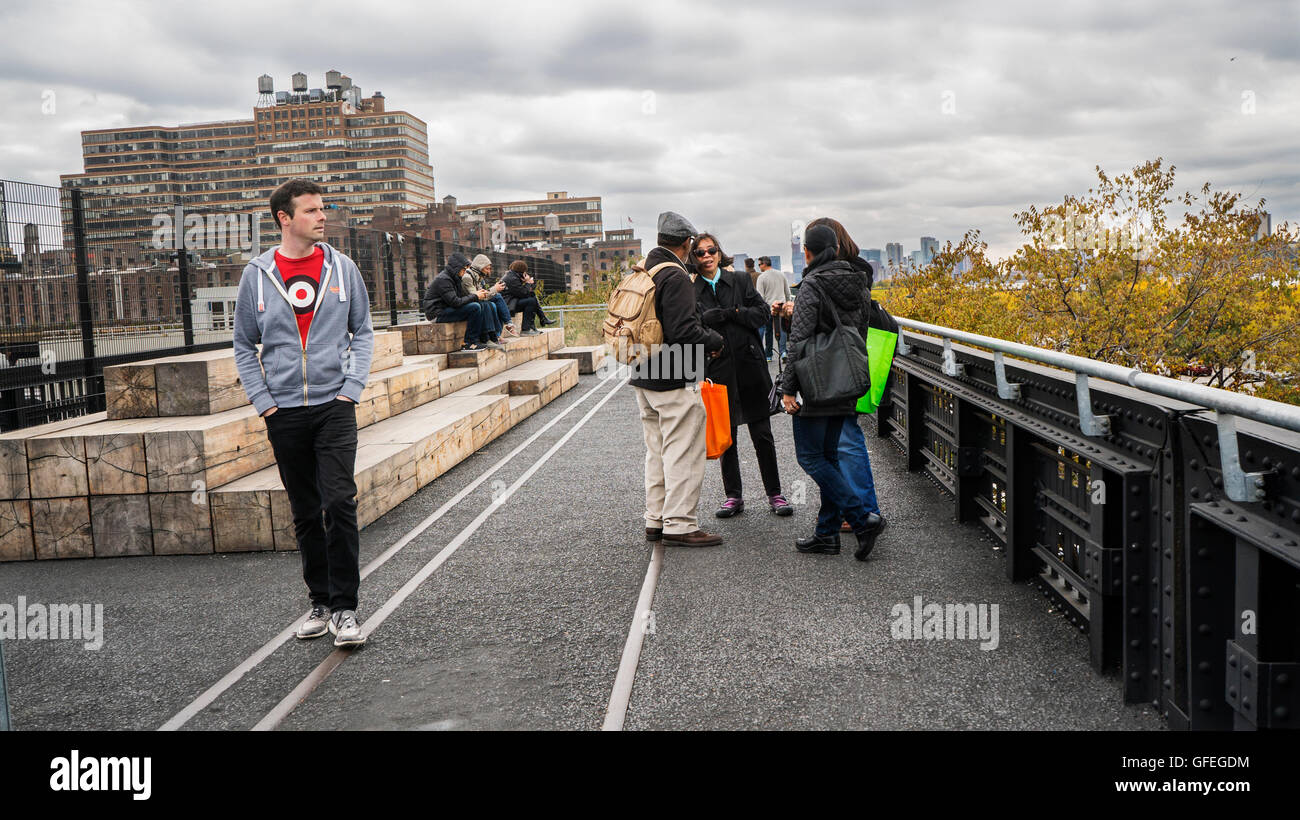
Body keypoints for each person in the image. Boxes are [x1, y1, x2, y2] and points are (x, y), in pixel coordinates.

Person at [233, 178, 373, 647]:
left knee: (340, 502)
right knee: (306, 511)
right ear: (284, 219)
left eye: (322, 208)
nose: (322, 216)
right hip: (285, 411)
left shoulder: (342, 267)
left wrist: (351, 389)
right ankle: (320, 601)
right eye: (311, 210)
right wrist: (265, 402)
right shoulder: (256, 274)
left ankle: (346, 609)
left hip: (335, 406)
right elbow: (242, 344)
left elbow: (363, 331)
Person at [779, 223, 885, 560]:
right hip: (847, 380)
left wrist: (787, 389)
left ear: (808, 252)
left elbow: (799, 340)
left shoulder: (811, 283)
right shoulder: (858, 281)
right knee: (829, 457)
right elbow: (860, 330)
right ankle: (826, 534)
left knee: (810, 457)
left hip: (817, 382)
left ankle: (860, 518)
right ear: (836, 249)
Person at [629, 211, 726, 548]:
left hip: (643, 372)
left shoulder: (645, 270)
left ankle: (655, 519)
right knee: (682, 451)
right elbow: (684, 331)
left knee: (656, 451)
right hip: (674, 375)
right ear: (687, 242)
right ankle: (681, 524)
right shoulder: (676, 276)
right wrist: (714, 341)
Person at [690, 233, 793, 519]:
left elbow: (760, 314)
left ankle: (775, 493)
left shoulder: (740, 281)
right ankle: (733, 496)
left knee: (762, 435)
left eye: (711, 250)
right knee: (727, 437)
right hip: (717, 372)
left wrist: (730, 313)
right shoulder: (692, 290)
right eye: (700, 252)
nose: (707, 255)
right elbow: (691, 330)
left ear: (719, 252)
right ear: (694, 258)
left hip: (750, 367)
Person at [805, 217, 884, 534]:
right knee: (840, 439)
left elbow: (827, 320)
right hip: (850, 361)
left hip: (834, 365)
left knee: (846, 439)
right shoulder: (858, 271)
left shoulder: (838, 275)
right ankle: (851, 511)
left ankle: (865, 512)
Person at [420, 252, 505, 351]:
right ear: (457, 267)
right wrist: (475, 296)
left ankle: (487, 338)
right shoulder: (444, 279)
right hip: (437, 314)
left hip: (446, 308)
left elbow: (459, 299)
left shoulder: (455, 278)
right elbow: (455, 302)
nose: (465, 272)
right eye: (464, 269)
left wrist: (477, 294)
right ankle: (470, 342)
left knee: (482, 304)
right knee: (475, 307)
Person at [467, 254, 515, 338]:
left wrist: (495, 289)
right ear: (479, 267)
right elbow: (476, 296)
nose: (489, 271)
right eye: (487, 269)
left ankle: (504, 329)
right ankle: (502, 330)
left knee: (497, 298)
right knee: (493, 304)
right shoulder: (468, 277)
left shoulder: (479, 277)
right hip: (471, 303)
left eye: (489, 269)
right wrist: (495, 289)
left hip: (477, 301)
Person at [755, 256, 792, 362]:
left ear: (764, 264)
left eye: (759, 264)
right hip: (781, 307)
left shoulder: (761, 278)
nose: (759, 267)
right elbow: (787, 292)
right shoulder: (781, 274)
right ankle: (783, 351)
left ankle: (768, 355)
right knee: (782, 329)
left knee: (768, 331)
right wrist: (787, 304)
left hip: (768, 308)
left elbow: (760, 296)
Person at [502, 260, 554, 334]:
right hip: (507, 304)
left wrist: (527, 283)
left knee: (532, 296)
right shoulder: (512, 279)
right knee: (531, 301)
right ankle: (526, 329)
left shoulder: (513, 276)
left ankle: (539, 321)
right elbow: (523, 293)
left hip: (512, 301)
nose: (525, 273)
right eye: (525, 271)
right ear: (522, 270)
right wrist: (527, 283)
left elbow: (525, 292)